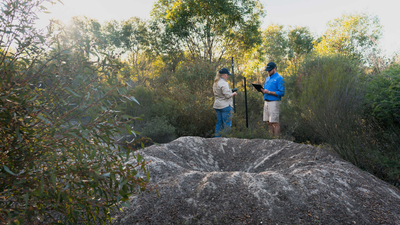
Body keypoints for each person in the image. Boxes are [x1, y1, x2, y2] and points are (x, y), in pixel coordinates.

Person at [261, 62, 285, 137]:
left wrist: (269, 92)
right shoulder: (267, 79)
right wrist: (262, 91)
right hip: (266, 102)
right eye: (267, 70)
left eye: (269, 70)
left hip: (274, 102)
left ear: (274, 69)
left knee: (275, 122)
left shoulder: (279, 78)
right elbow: (266, 90)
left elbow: (282, 92)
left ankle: (276, 140)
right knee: (268, 122)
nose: (268, 72)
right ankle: (270, 139)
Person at [213, 68, 237, 137]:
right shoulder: (224, 83)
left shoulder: (215, 82)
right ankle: (227, 140)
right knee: (227, 124)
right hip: (225, 106)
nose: (228, 76)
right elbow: (227, 96)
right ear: (224, 75)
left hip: (217, 105)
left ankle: (216, 140)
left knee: (219, 124)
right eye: (227, 75)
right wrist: (234, 93)